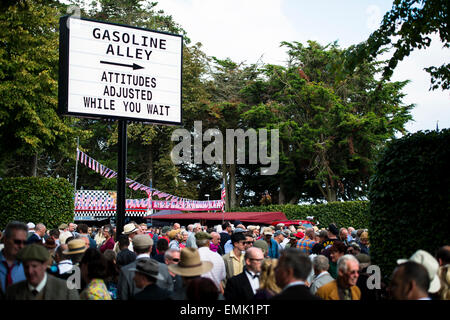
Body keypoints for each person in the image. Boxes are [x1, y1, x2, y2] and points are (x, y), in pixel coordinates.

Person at [6, 244, 79, 300]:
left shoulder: (66, 290)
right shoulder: (12, 292)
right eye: (26, 267)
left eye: (34, 266)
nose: (30, 271)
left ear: (44, 265)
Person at [117, 234, 173, 300]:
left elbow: (122, 296)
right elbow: (171, 293)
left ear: (134, 249)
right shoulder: (164, 268)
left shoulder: (125, 271)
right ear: (151, 248)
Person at [0, 221, 27, 295]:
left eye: (24, 242)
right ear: (5, 240)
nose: (21, 246)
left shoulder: (29, 266)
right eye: (17, 242)